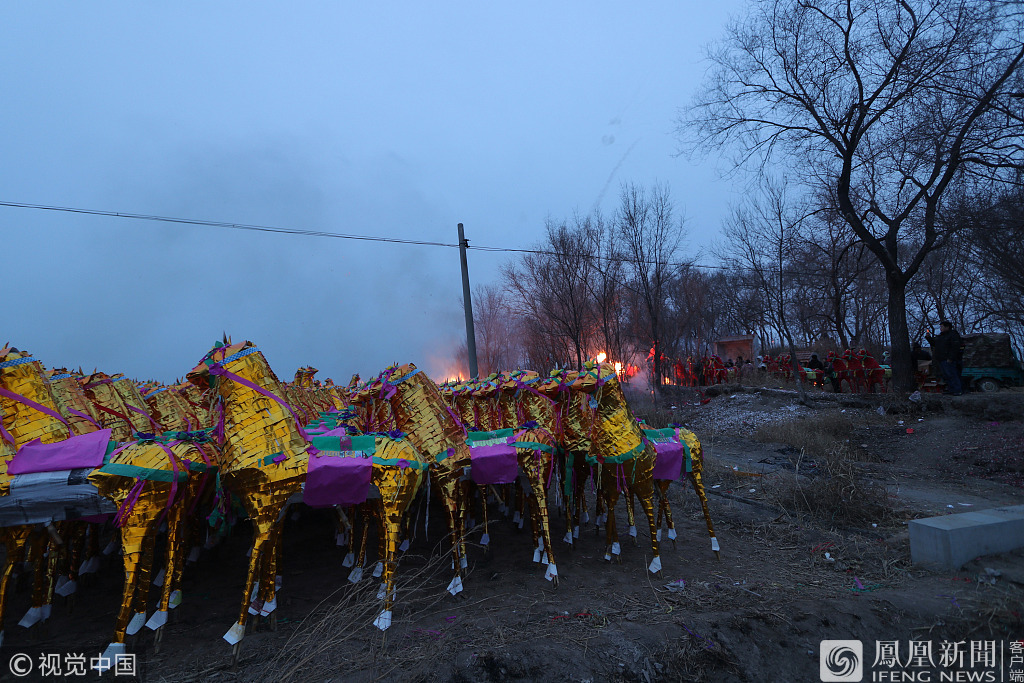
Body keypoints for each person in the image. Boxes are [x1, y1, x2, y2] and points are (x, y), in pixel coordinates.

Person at [925, 321, 963, 395]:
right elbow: (934, 343)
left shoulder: (953, 335)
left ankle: (957, 390)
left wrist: (951, 358)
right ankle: (951, 389)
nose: (940, 328)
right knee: (946, 376)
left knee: (952, 374)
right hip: (941, 359)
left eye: (942, 327)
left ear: (947, 327)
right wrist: (928, 338)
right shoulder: (941, 336)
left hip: (948, 359)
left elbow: (955, 347)